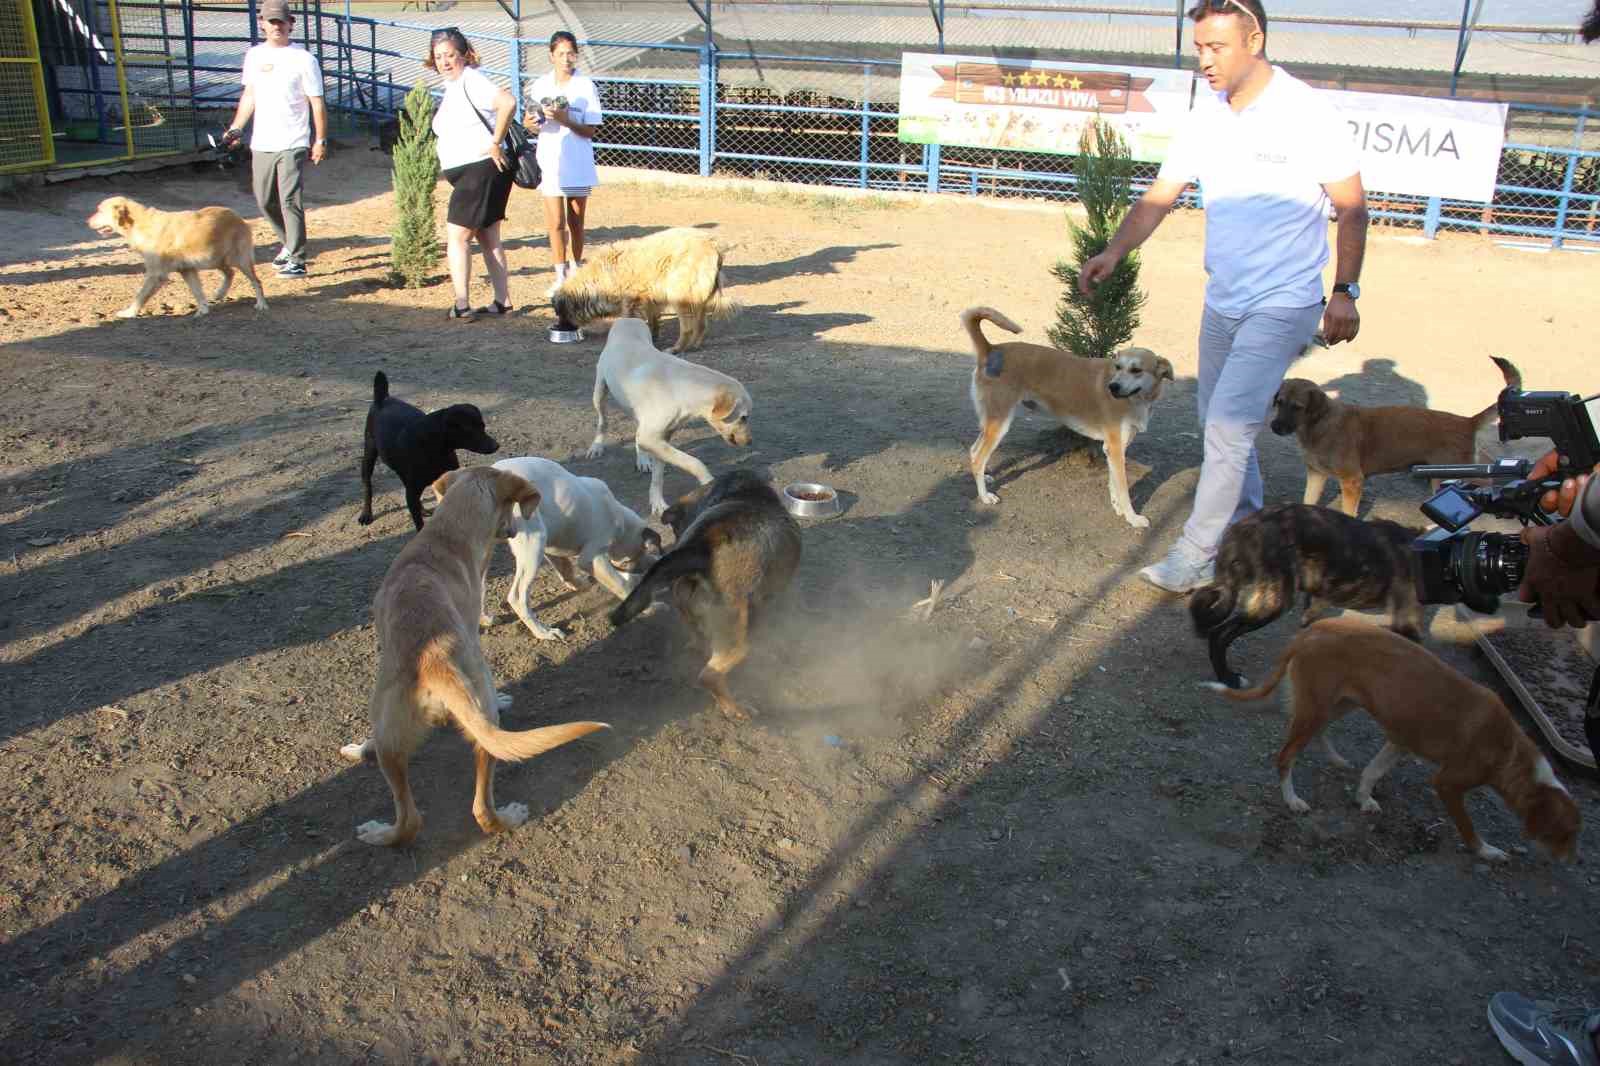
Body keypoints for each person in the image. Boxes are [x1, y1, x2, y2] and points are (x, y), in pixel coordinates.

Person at [1079, 0, 1368, 593]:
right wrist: (1115, 250)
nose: (1204, 62)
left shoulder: (1307, 113)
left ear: (1254, 39)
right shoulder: (1206, 117)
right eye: (1199, 49)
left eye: (1217, 48)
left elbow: (1353, 208)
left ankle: (1198, 554)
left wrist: (1343, 292)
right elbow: (1159, 196)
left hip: (1285, 301)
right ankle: (1251, 533)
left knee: (1230, 428)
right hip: (1225, 300)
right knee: (1217, 420)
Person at [225, 0, 326, 279]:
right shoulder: (254, 56)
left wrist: (320, 139)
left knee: (289, 198)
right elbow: (250, 96)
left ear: (291, 24)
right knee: (264, 199)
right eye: (271, 22)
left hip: (294, 139)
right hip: (262, 141)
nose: (277, 26)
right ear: (262, 24)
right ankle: (288, 243)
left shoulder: (304, 59)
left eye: (281, 21)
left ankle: (297, 257)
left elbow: (316, 102)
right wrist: (236, 128)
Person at [425, 28, 516, 322]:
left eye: (450, 55)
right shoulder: (453, 85)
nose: (444, 61)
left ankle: (462, 303)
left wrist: (494, 142)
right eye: (438, 57)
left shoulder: (472, 80)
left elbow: (508, 103)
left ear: (463, 55)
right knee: (489, 237)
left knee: (457, 236)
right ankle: (502, 301)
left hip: (481, 169)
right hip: (476, 172)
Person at [526, 30, 603, 297]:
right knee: (555, 222)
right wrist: (532, 123)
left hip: (578, 162)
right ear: (551, 56)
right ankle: (560, 276)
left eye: (570, 53)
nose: (566, 59)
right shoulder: (540, 85)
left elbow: (590, 130)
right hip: (550, 160)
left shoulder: (585, 86)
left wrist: (565, 119)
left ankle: (576, 269)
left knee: (576, 221)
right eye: (560, 54)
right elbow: (533, 123)